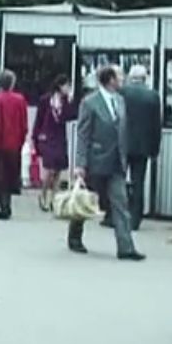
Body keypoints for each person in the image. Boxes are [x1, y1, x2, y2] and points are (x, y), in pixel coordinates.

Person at [69, 66, 145, 261]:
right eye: (120, 76)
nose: (123, 79)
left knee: (121, 203)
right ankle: (75, 235)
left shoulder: (120, 101)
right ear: (110, 79)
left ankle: (126, 247)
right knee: (85, 200)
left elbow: (121, 132)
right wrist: (80, 164)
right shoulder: (90, 102)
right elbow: (83, 134)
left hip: (116, 162)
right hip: (95, 161)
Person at [0, 70, 29, 220]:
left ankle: (3, 205)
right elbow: (24, 124)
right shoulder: (20, 100)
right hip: (14, 143)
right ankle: (7, 202)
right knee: (10, 174)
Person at [120, 65, 162, 230]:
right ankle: (135, 219)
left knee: (119, 180)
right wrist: (155, 148)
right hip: (143, 147)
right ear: (145, 78)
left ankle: (118, 215)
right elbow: (156, 125)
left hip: (122, 144)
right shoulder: (153, 96)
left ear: (130, 77)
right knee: (139, 183)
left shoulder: (122, 93)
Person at [33, 75, 77, 212]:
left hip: (59, 136)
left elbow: (71, 116)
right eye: (66, 86)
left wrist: (70, 101)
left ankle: (55, 198)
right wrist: (36, 136)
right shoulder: (46, 100)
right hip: (47, 135)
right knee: (50, 169)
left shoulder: (65, 101)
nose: (68, 89)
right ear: (60, 86)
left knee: (58, 169)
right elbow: (39, 118)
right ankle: (43, 194)